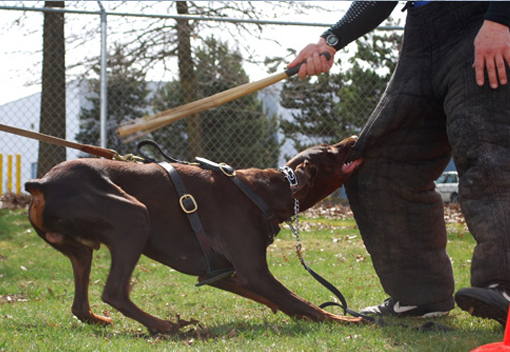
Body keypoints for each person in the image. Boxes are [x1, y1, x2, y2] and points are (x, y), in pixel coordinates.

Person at [288, 1, 510, 325]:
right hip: (422, 34)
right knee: (378, 164)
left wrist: (501, 19)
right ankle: (419, 296)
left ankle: (504, 283)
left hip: (482, 19)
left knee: (489, 155)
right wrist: (330, 40)